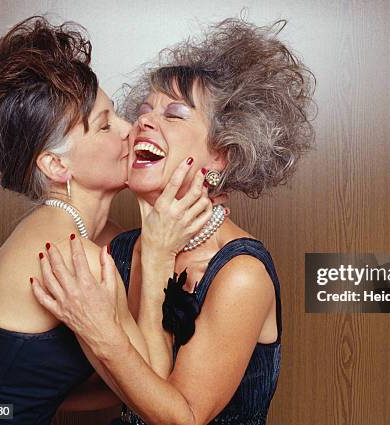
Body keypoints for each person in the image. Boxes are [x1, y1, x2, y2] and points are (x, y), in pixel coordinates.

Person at [32, 18, 315, 425]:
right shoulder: (122, 249)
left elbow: (181, 417)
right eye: (144, 111)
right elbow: (129, 383)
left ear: (222, 155)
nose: (144, 122)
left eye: (175, 114)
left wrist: (98, 328)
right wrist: (3, 399)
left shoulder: (240, 275)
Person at [0, 16, 213, 424]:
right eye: (105, 125)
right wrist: (158, 254)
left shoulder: (67, 232)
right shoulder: (75, 257)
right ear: (56, 164)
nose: (130, 128)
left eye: (119, 114)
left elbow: (32, 386)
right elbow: (155, 399)